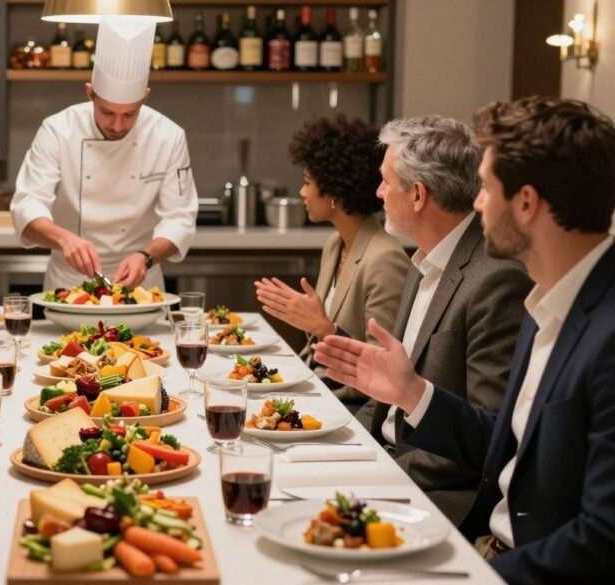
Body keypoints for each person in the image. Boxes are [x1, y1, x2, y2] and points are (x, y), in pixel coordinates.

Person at [314, 96, 615, 583]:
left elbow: (601, 542)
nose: (475, 203)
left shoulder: (604, 333)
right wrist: (413, 394)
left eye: (486, 188)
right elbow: (500, 447)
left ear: (527, 203)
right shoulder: (547, 303)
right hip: (489, 548)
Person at [349, 116, 533, 524]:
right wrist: (348, 450)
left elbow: (490, 439)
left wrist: (378, 477)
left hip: (437, 496)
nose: (378, 193)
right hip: (386, 467)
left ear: (417, 194)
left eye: (384, 181)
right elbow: (386, 400)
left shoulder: (495, 279)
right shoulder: (424, 259)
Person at [11, 19, 198, 290]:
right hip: (69, 284)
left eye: (129, 114)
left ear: (145, 98)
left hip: (140, 285)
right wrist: (64, 239)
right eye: (107, 112)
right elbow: (27, 206)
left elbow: (180, 218)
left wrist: (146, 257)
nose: (117, 125)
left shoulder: (168, 136)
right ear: (90, 93)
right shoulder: (58, 130)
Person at [255, 115, 409, 403]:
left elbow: (385, 369)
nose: (302, 192)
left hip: (350, 404)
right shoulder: (334, 245)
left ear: (334, 189)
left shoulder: (385, 259)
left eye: (307, 182)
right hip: (321, 391)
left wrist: (324, 328)